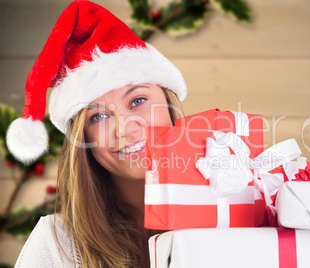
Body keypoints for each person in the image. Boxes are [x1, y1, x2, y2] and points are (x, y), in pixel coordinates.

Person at [6, 0, 187, 267]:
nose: (124, 129)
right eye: (98, 117)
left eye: (138, 101)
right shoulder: (57, 245)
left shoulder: (232, 213)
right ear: (83, 139)